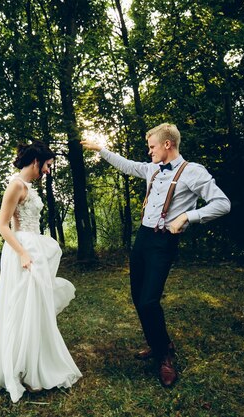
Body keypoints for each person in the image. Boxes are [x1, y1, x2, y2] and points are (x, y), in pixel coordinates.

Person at [81, 123, 230, 387]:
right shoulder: (152, 169)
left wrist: (188, 216)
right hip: (143, 239)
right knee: (138, 297)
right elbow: (126, 165)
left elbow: (222, 204)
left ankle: (164, 356)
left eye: (152, 147)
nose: (149, 152)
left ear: (167, 145)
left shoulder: (193, 172)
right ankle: (157, 341)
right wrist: (101, 149)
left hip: (164, 243)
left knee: (149, 300)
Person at [0, 140, 82, 403]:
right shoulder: (15, 185)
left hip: (33, 247)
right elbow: (3, 225)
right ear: (36, 162)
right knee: (21, 307)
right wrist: (23, 254)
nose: (48, 171)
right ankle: (21, 371)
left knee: (36, 306)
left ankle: (34, 367)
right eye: (48, 166)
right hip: (20, 252)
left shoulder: (28, 187)